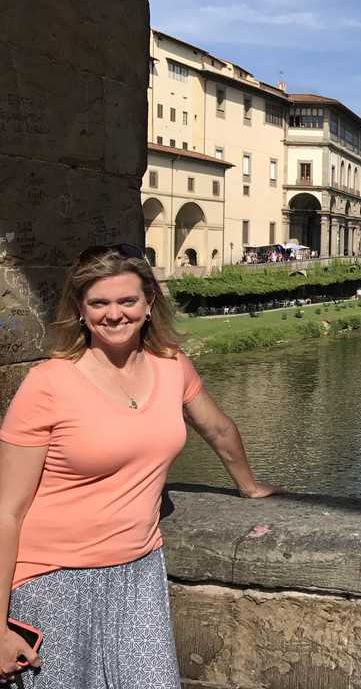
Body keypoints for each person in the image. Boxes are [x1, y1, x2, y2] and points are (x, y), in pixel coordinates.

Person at [0, 243, 282, 688]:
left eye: (127, 301)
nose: (114, 314)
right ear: (80, 309)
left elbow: (220, 429)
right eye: (99, 303)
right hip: (52, 580)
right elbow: (7, 510)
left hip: (138, 571)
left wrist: (248, 484)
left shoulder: (172, 367)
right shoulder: (47, 385)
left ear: (149, 303)